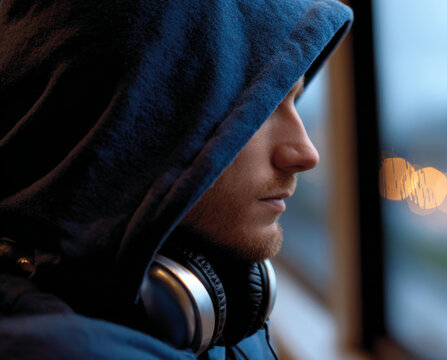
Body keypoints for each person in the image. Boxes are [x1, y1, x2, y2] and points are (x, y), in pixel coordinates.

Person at [0, 0, 352, 358]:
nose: (306, 154)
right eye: (261, 108)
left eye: (292, 101)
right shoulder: (60, 350)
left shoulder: (203, 289)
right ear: (130, 124)